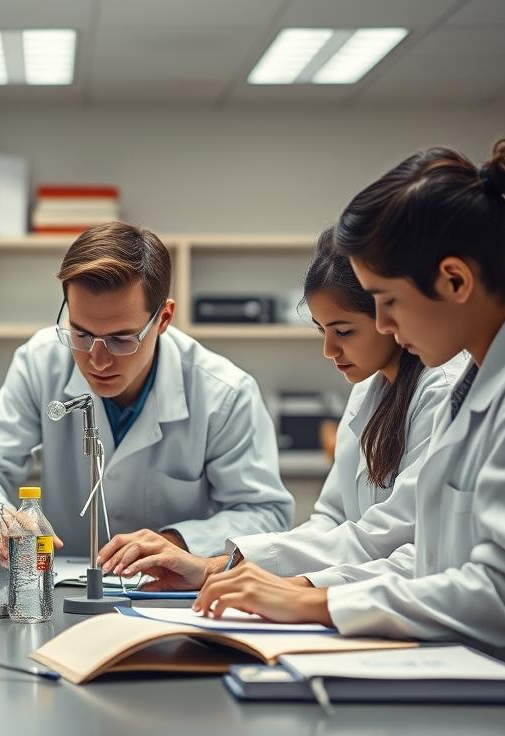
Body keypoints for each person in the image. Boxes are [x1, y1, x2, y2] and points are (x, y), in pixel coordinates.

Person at [192, 141, 505, 728]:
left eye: (387, 302)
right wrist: (296, 591)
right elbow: (427, 562)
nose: (382, 325)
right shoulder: (490, 379)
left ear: (455, 279)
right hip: (468, 685)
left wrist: (319, 601)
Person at [97, 227, 467, 588]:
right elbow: (331, 520)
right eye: (322, 331)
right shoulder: (371, 386)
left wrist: (230, 572)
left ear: (390, 313)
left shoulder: (442, 390)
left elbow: (387, 539)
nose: (329, 351)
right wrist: (222, 568)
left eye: (344, 332)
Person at [0, 222, 292, 560]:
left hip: (173, 600)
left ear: (164, 319)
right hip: (63, 591)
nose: (98, 360)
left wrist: (177, 542)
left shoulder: (225, 393)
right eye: (81, 334)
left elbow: (265, 513)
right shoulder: (40, 362)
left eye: (121, 340)